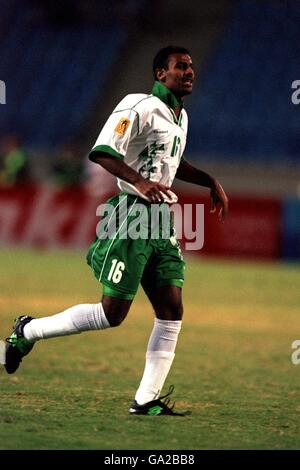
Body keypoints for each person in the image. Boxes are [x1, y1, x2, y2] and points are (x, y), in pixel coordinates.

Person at [5, 46, 228, 416]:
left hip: (160, 221)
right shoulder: (137, 105)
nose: (189, 72)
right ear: (161, 74)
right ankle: (27, 331)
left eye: (191, 67)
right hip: (130, 216)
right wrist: (140, 182)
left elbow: (172, 162)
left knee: (172, 309)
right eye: (180, 67)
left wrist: (209, 180)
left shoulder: (180, 116)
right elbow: (103, 151)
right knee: (112, 314)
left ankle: (145, 399)